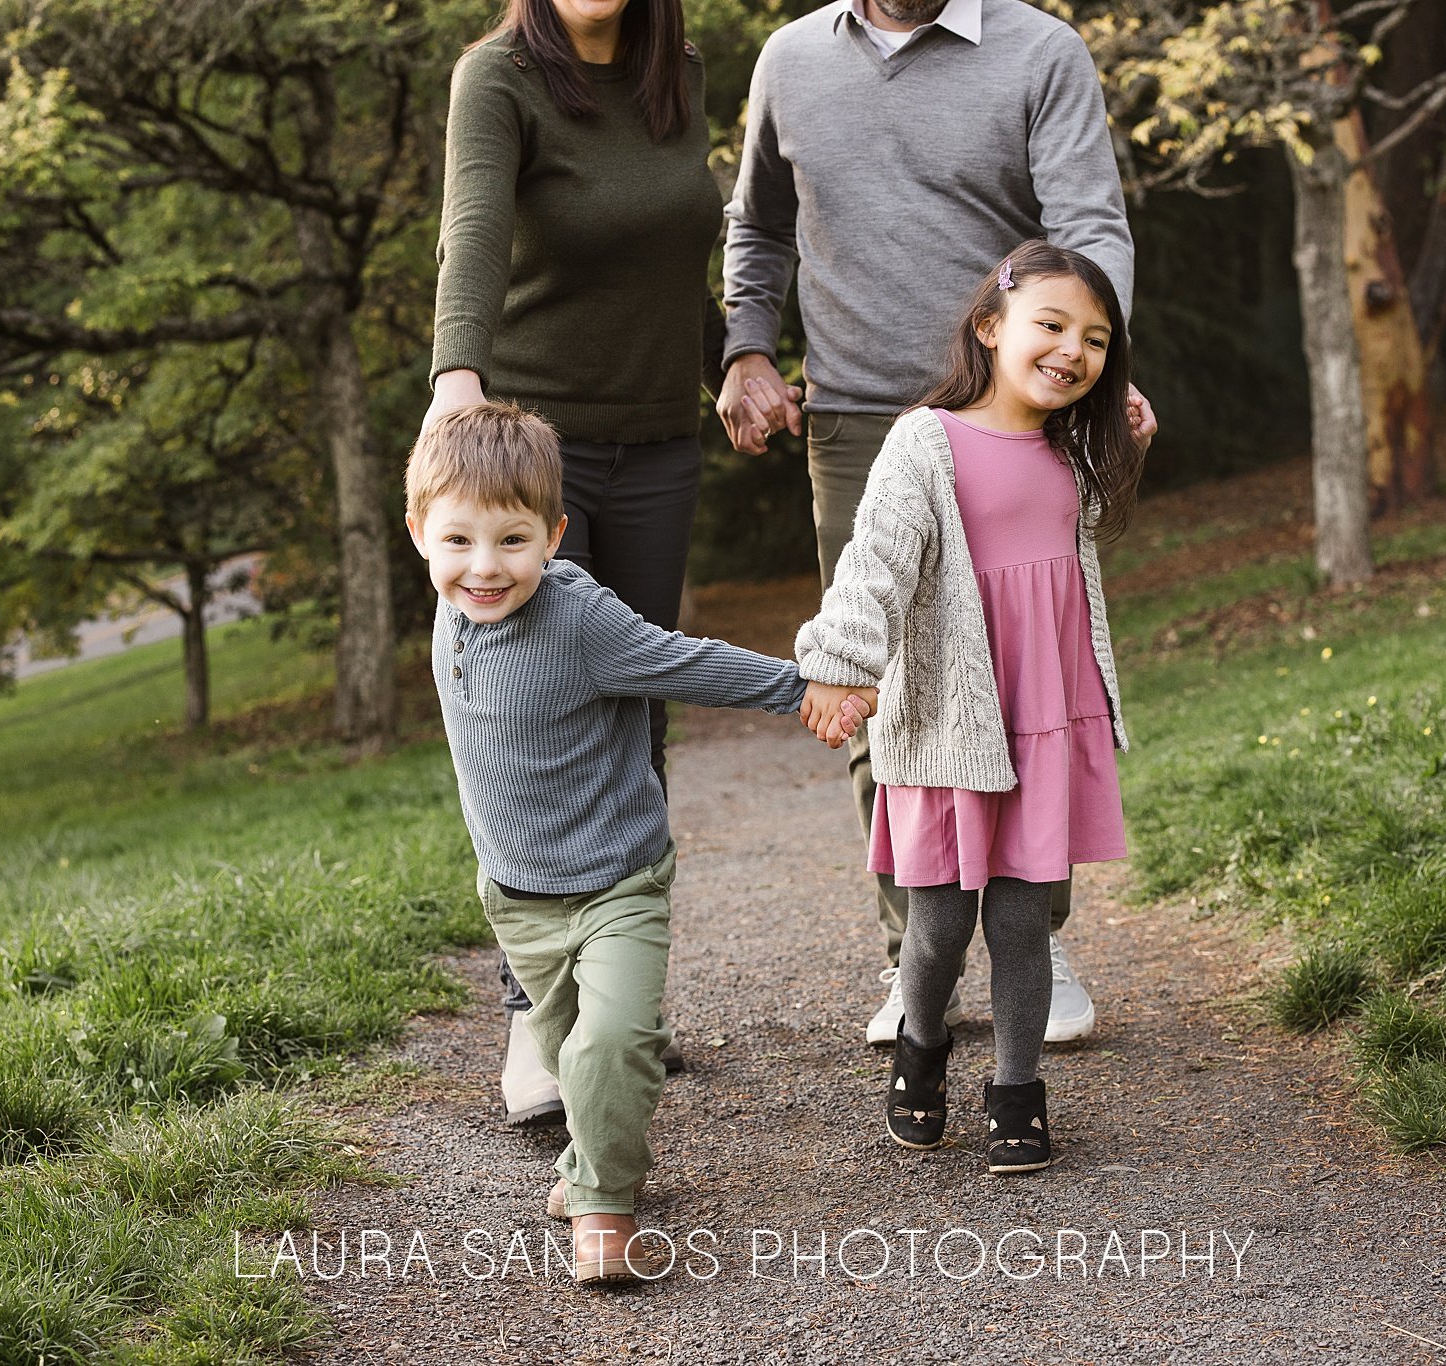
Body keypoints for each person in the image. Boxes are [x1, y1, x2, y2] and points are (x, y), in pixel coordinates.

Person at [717, 0, 1157, 1044]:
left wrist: (1097, 370)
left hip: (1017, 417)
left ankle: (1030, 942)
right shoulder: (788, 59)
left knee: (1017, 682)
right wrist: (743, 345)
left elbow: (1087, 225)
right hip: (860, 419)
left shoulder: (1040, 51)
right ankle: (909, 952)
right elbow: (760, 225)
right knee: (881, 685)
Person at [407, 403, 871, 1281]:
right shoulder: (456, 609)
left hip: (618, 880)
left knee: (612, 1040)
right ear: (419, 532)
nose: (482, 569)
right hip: (515, 896)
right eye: (457, 542)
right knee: (563, 1045)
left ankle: (604, 1210)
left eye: (511, 542)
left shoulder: (583, 622)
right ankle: (591, 1149)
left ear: (554, 535)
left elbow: (689, 663)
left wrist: (807, 687)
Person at [426, 0, 729, 1124]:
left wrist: (729, 364)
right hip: (530, 456)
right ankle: (532, 1019)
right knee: (535, 709)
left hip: (656, 442)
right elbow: (472, 232)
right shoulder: (496, 78)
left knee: (635, 711)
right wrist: (458, 379)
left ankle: (617, 994)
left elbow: (665, 260)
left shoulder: (676, 74)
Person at [795, 243, 1146, 1173]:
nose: (1074, 349)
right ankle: (922, 1047)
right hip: (951, 722)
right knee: (940, 923)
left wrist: (1123, 428)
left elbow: (1079, 538)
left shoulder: (1075, 450)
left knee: (1027, 921)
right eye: (1053, 325)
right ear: (991, 328)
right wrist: (837, 666)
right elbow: (873, 566)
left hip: (1043, 718)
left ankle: (1018, 1089)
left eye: (1097, 340)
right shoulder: (925, 442)